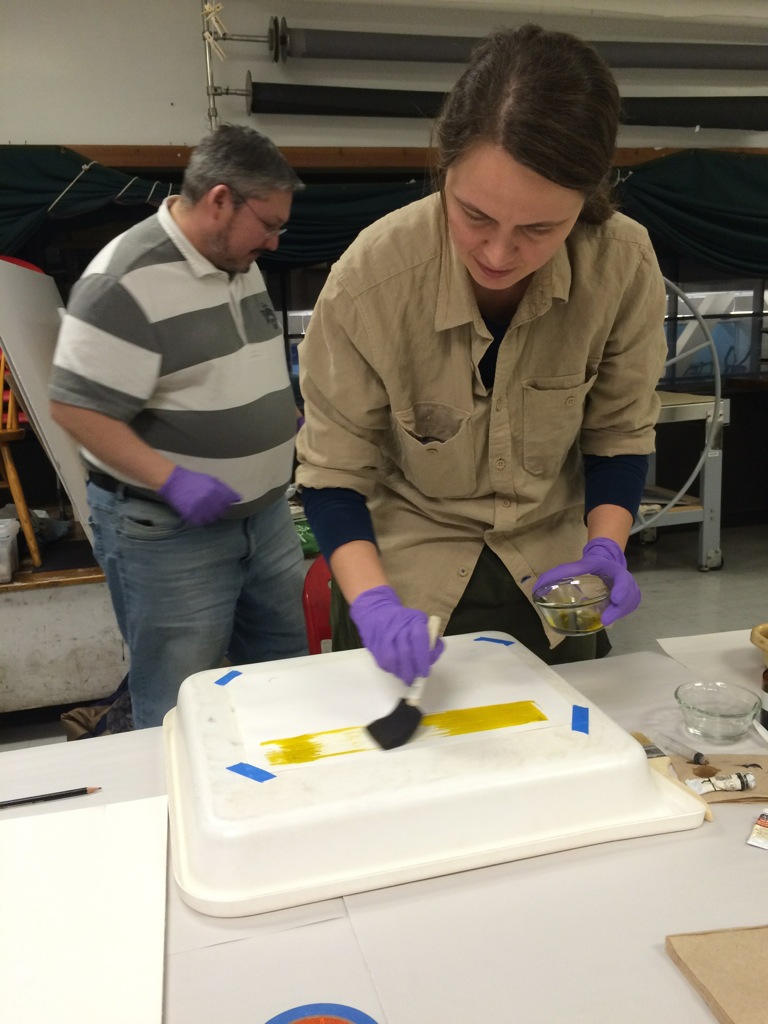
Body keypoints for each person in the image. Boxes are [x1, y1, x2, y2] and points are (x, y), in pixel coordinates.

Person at [294, 24, 668, 687]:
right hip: (405, 583)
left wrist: (607, 546)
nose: (498, 254)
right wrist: (373, 604)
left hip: (555, 583)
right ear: (444, 168)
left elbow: (618, 432)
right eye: (474, 216)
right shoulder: (369, 282)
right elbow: (333, 473)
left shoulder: (622, 263)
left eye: (540, 228)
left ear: (587, 199)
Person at [49, 125, 309, 729]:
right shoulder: (123, 281)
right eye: (268, 224)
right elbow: (75, 408)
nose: (274, 241)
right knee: (178, 700)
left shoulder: (237, 259)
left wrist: (280, 415)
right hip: (170, 532)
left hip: (266, 518)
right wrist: (173, 480)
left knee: (287, 680)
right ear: (220, 200)